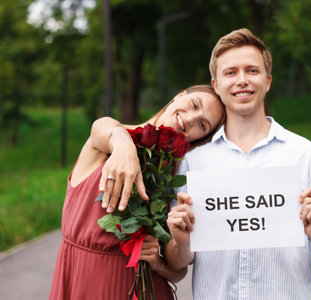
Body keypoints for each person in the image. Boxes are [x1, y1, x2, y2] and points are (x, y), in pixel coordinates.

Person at [165, 29, 311, 299]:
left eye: (252, 70)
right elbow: (178, 259)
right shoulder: (193, 163)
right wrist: (180, 241)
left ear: (268, 80)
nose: (242, 80)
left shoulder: (305, 155)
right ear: (216, 85)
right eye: (230, 72)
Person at [49, 85, 225, 300]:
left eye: (202, 124)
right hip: (82, 281)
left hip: (143, 290)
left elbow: (179, 271)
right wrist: (124, 146)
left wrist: (158, 262)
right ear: (180, 95)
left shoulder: (175, 174)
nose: (190, 119)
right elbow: (103, 127)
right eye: (194, 105)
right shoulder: (107, 140)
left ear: (200, 137)